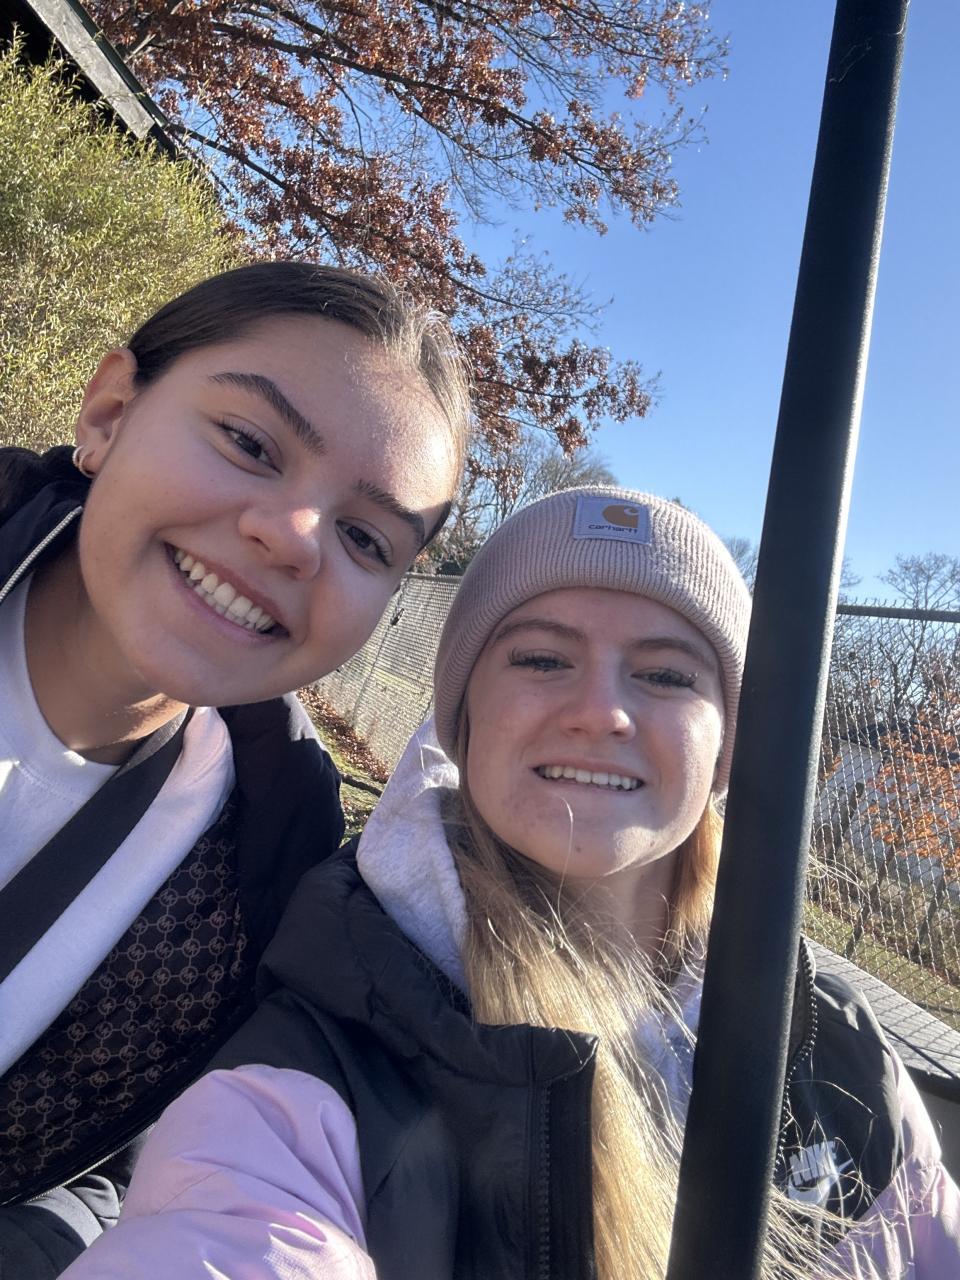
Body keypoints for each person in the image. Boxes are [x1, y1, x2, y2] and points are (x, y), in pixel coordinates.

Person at [59, 488, 960, 1278]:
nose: (602, 711)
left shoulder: (837, 1042)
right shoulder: (313, 1079)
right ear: (462, 715)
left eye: (664, 674)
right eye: (541, 658)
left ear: (727, 742)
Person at [0, 261, 470, 1276]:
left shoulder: (274, 856)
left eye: (364, 536)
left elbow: (113, 1163)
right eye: (250, 443)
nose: (292, 538)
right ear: (109, 413)